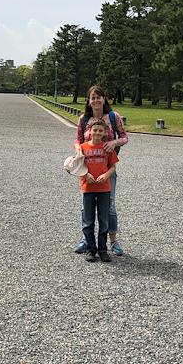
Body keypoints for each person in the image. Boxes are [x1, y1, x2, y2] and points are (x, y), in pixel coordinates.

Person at [73, 85, 129, 256]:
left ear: (104, 99)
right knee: (86, 206)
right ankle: (87, 240)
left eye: (99, 97)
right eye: (93, 98)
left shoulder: (113, 117)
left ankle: (113, 241)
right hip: (87, 168)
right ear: (89, 101)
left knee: (109, 205)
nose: (96, 100)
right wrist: (78, 149)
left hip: (106, 168)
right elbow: (78, 139)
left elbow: (124, 137)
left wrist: (114, 142)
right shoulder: (84, 119)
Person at [79, 118, 118, 262]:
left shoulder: (107, 148)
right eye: (95, 130)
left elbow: (113, 167)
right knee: (88, 221)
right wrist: (85, 174)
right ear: (90, 131)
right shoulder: (83, 147)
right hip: (88, 188)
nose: (97, 133)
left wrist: (106, 175)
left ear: (105, 132)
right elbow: (78, 166)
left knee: (104, 220)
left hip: (104, 188)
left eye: (100, 131)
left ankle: (102, 250)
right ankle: (91, 249)